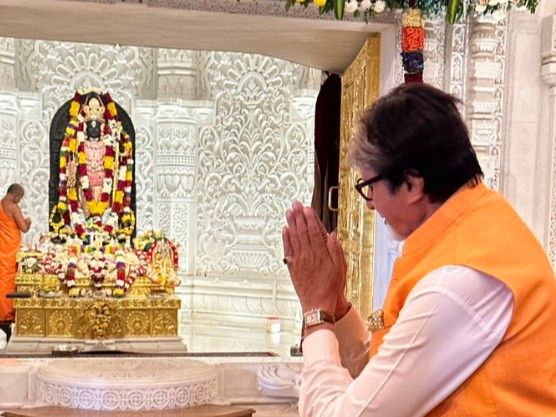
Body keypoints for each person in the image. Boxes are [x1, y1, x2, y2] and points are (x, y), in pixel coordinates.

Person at [282, 83, 556, 417]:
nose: (370, 205)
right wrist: (336, 309)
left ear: (412, 185)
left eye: (369, 187)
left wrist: (315, 312)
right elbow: (390, 380)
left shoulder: (457, 281)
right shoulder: (476, 228)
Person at [0, 184, 31, 342]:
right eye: (19, 197)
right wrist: (28, 221)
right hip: (11, 250)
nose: (19, 201)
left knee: (2, 280)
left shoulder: (1, 204)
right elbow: (23, 228)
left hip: (2, 248)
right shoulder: (13, 207)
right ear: (14, 194)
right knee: (9, 281)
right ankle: (6, 316)